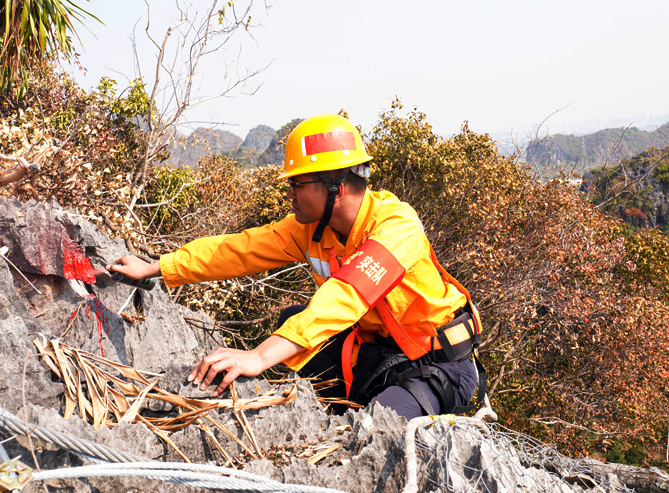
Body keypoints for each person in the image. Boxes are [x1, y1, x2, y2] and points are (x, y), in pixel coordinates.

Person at [109, 113, 485, 420]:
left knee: (377, 429)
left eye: (297, 184)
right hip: (375, 355)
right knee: (292, 317)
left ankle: (365, 417)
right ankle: (335, 415)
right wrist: (157, 266)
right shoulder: (311, 229)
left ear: (334, 185)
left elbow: (347, 294)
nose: (289, 193)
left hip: (435, 364)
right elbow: (239, 249)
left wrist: (258, 356)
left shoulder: (396, 226)